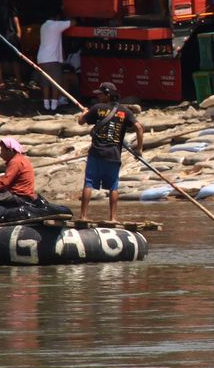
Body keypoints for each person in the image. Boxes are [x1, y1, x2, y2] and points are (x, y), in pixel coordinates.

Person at [78, 82, 144, 221]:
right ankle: (113, 218)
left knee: (89, 183)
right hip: (114, 154)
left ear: (108, 94)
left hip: (96, 153)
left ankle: (83, 217)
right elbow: (139, 127)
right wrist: (139, 149)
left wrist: (84, 113)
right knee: (113, 187)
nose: (98, 96)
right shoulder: (125, 111)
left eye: (101, 94)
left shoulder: (97, 108)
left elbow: (81, 122)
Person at [36, 15, 74, 111]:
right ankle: (54, 107)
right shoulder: (56, 25)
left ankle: (46, 106)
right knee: (55, 84)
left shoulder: (43, 25)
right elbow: (73, 23)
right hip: (52, 58)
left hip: (41, 58)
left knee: (45, 83)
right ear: (57, 17)